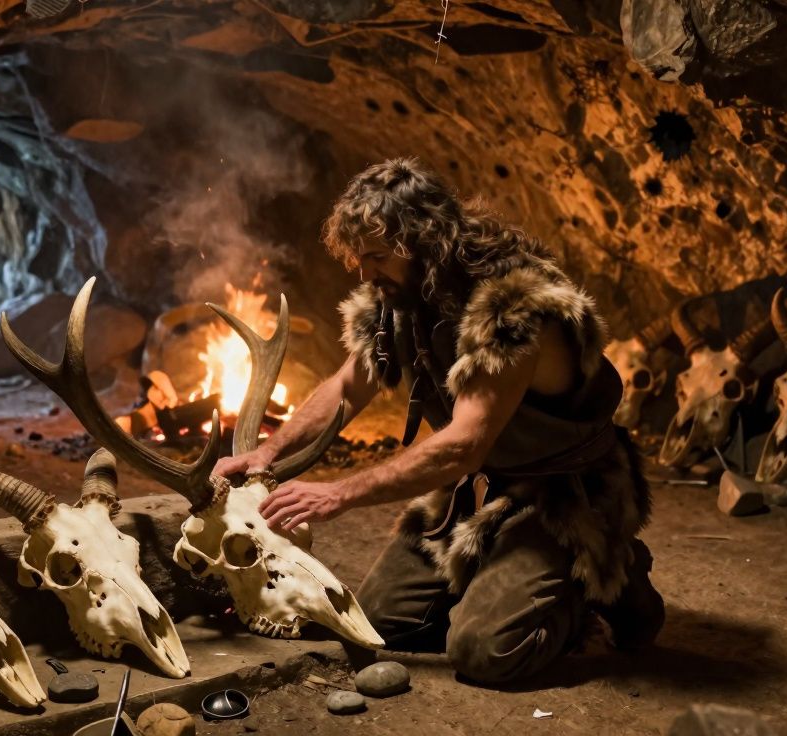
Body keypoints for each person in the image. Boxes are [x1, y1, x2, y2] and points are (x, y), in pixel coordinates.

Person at [213, 157, 662, 686]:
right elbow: (345, 387)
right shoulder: (399, 297)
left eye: (376, 256)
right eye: (357, 258)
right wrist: (270, 452)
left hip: (564, 494)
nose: (363, 274)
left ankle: (606, 575)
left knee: (482, 654)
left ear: (428, 242)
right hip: (478, 490)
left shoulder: (512, 308)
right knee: (376, 623)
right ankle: (506, 581)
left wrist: (338, 494)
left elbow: (463, 444)